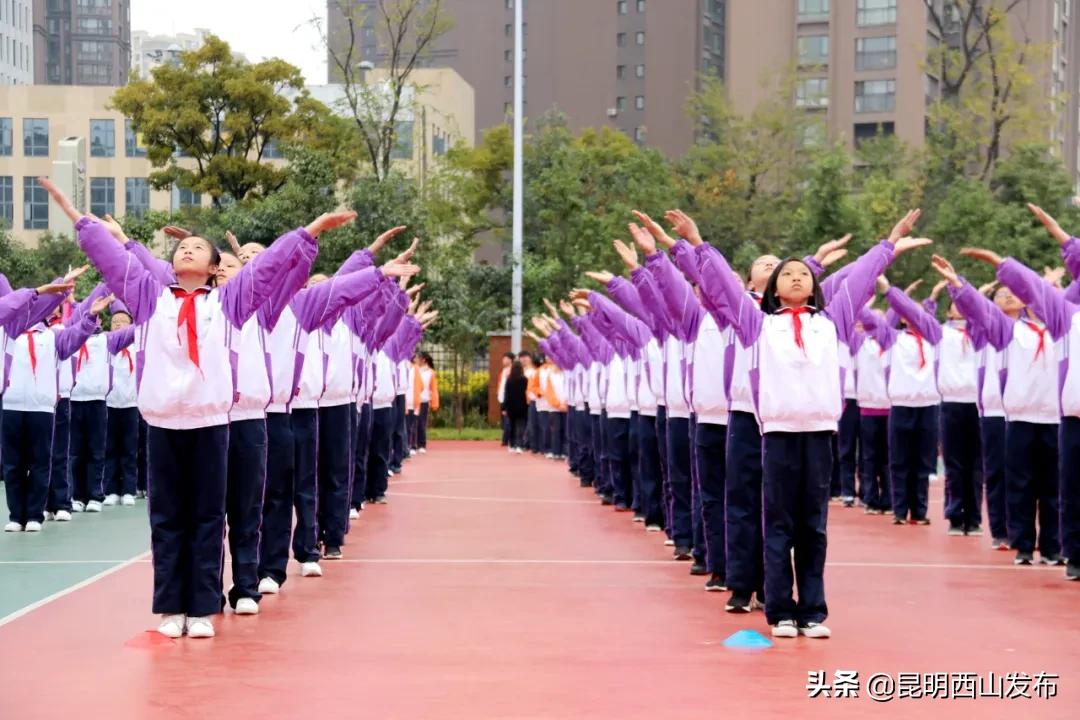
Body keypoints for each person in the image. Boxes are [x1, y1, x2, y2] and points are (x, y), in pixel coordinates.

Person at [45, 175, 354, 639]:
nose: (187, 250)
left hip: (212, 424)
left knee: (209, 518)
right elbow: (109, 258)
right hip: (164, 424)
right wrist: (75, 214)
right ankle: (172, 607)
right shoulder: (150, 298)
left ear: (213, 267)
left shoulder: (229, 302)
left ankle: (203, 608)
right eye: (181, 246)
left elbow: (268, 267)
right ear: (171, 262)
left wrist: (310, 231)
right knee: (167, 518)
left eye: (197, 247)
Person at [697, 209, 928, 638]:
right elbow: (726, 287)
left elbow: (859, 279)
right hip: (780, 435)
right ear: (773, 289)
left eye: (804, 273)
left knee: (814, 527)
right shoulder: (757, 325)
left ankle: (814, 611)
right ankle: (780, 610)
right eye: (789, 274)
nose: (798, 278)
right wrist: (698, 243)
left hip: (819, 435)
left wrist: (889, 243)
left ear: (815, 285)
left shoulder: (831, 322)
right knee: (779, 524)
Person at [939, 248, 1062, 567]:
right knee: (1019, 484)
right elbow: (981, 311)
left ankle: (1051, 546)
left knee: (1052, 487)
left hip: (1054, 418)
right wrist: (959, 286)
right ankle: (1022, 544)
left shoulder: (1062, 330)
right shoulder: (1009, 331)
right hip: (1019, 418)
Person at [3, 279, 108, 533]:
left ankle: (35, 516)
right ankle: (17, 516)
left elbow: (76, 335)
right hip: (11, 405)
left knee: (41, 462)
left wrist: (90, 316)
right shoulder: (8, 333)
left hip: (43, 408)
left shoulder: (53, 337)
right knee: (13, 464)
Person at [104, 299, 140, 508]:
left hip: (130, 405)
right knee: (110, 448)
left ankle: (128, 489)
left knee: (129, 449)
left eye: (122, 321)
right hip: (110, 404)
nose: (117, 325)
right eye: (115, 321)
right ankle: (110, 490)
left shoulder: (136, 348)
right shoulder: (107, 347)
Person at [413, 351, 438, 453]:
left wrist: (434, 402)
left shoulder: (431, 372)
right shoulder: (414, 369)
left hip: (424, 400)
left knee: (421, 423)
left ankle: (421, 444)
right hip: (414, 400)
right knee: (412, 423)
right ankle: (412, 445)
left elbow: (433, 388)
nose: (415, 360)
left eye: (418, 358)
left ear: (423, 360)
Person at [504, 361, 529, 451]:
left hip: (511, 407)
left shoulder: (509, 379)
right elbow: (527, 392)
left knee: (512, 426)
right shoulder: (525, 379)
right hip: (522, 406)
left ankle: (512, 444)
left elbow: (506, 394)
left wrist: (504, 407)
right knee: (521, 426)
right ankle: (519, 445)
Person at [497, 352, 515, 447]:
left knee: (508, 419)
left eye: (505, 358)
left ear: (510, 360)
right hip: (502, 398)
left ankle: (507, 439)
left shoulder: (513, 370)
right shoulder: (503, 371)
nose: (503, 360)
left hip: (509, 398)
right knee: (504, 420)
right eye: (503, 358)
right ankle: (506, 438)